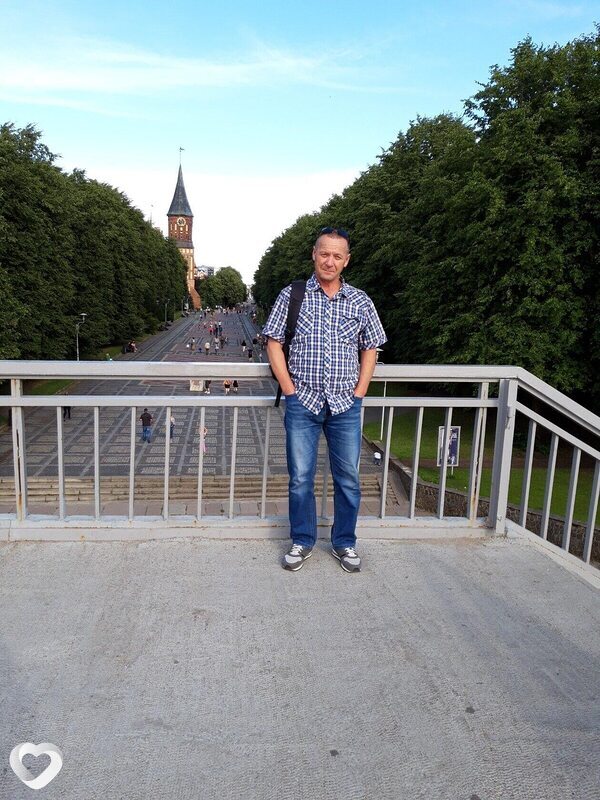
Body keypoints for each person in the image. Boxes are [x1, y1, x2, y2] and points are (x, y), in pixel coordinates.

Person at [264, 226, 386, 573]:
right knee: (300, 478)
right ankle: (302, 540)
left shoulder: (360, 300)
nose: (329, 261)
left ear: (346, 260)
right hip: (302, 401)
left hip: (346, 404)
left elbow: (371, 347)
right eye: (324, 253)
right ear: (314, 255)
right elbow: (273, 342)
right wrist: (289, 390)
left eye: (337, 256)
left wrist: (360, 392)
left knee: (348, 478)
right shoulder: (293, 295)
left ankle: (345, 542)